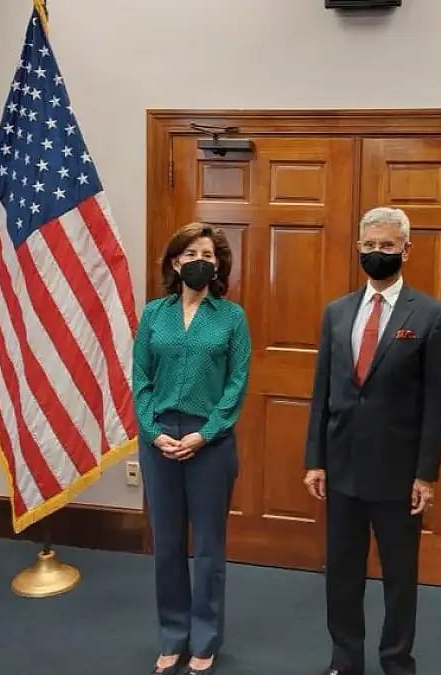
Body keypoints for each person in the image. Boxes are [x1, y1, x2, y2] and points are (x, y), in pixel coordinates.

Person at [303, 206, 441, 675]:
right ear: (358, 249)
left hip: (398, 474)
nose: (377, 252)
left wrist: (426, 474)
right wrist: (315, 460)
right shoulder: (336, 312)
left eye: (387, 245)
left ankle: (396, 661)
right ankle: (345, 659)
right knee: (342, 574)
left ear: (406, 250)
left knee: (399, 577)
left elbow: (437, 402)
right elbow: (322, 392)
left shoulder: (430, 315)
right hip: (342, 467)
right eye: (369, 245)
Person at [132, 222, 251, 675]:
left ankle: (204, 639)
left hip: (210, 442)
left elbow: (237, 383)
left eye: (208, 254)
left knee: (208, 548)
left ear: (217, 265)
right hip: (160, 439)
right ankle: (172, 635)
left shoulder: (232, 317)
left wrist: (207, 432)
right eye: (190, 254)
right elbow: (140, 378)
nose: (199, 261)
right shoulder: (154, 315)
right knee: (166, 544)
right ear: (175, 262)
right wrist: (152, 430)